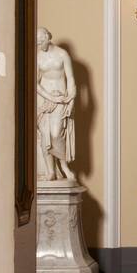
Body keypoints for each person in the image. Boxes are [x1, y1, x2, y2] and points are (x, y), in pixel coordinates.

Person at [36, 27, 76, 181]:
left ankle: (65, 167)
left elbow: (70, 78)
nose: (40, 44)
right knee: (45, 135)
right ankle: (50, 171)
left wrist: (70, 99)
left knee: (55, 133)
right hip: (44, 100)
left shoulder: (62, 54)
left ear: (48, 37)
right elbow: (35, 83)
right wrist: (49, 97)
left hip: (61, 98)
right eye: (37, 42)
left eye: (41, 40)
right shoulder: (37, 57)